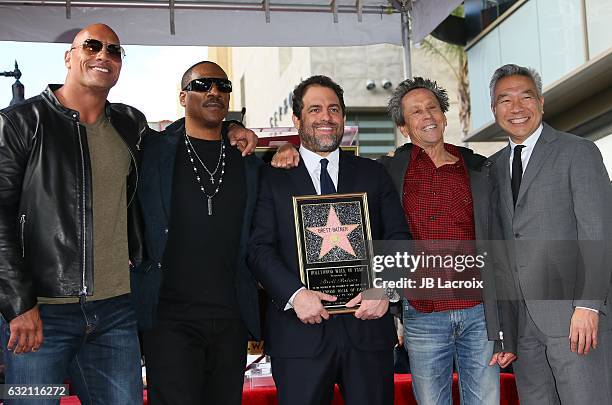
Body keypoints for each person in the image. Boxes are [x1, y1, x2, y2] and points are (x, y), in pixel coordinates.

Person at [0, 25, 256, 405]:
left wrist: (231, 127)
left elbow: (185, 135)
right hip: (40, 314)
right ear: (69, 56)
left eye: (115, 50)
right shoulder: (20, 121)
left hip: (116, 312)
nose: (104, 55)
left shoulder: (130, 125)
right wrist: (19, 304)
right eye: (92, 45)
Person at [248, 75, 411, 405]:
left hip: (368, 330)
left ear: (343, 117)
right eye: (315, 109)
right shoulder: (271, 177)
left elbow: (399, 238)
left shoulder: (373, 173)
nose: (326, 117)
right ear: (297, 119)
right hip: (298, 336)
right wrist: (295, 296)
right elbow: (258, 248)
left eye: (334, 109)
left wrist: (383, 290)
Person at [378, 77, 515, 405]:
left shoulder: (479, 168)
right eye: (415, 112)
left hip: (479, 314)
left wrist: (505, 321)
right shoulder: (388, 172)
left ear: (444, 115)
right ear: (403, 127)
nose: (427, 116)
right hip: (422, 313)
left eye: (432, 108)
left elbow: (500, 241)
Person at [135, 61, 261, 405]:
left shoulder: (248, 161)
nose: (214, 92)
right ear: (182, 96)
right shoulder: (153, 152)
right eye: (203, 85)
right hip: (169, 319)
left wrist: (239, 130)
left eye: (222, 86)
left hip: (231, 318)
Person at [488, 63, 612, 404]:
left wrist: (588, 306)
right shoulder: (493, 167)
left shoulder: (578, 152)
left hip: (574, 319)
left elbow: (598, 231)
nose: (516, 108)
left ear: (541, 103)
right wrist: (505, 333)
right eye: (505, 100)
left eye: (525, 97)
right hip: (524, 328)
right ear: (494, 109)